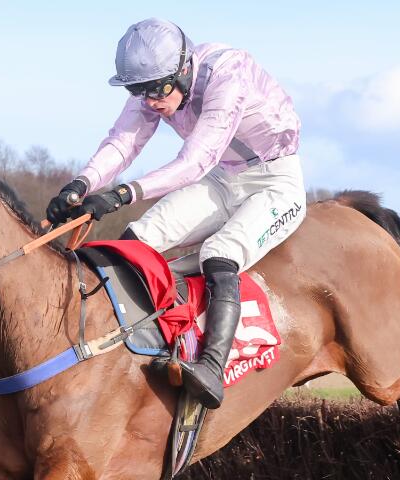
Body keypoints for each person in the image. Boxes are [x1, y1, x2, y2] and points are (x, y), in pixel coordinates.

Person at [45, 18, 306, 409]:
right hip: (223, 179)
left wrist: (120, 194)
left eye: (157, 90)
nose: (150, 101)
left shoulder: (227, 74)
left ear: (184, 69)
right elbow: (123, 142)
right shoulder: (160, 79)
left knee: (219, 253)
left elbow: (195, 161)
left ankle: (212, 370)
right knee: (137, 239)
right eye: (139, 91)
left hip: (274, 182)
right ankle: (128, 349)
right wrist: (80, 185)